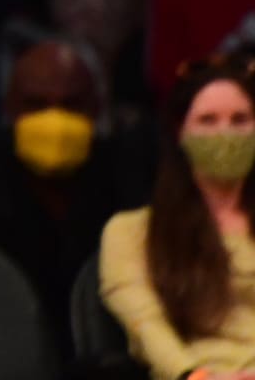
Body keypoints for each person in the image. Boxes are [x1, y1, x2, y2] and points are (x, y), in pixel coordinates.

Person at [0, 39, 154, 335]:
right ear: (9, 107)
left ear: (95, 108)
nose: (54, 119)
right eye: (36, 104)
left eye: (71, 105)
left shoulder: (129, 176)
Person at [100, 54, 255, 379]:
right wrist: (194, 375)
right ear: (180, 132)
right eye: (207, 120)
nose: (224, 134)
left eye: (240, 119)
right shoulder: (130, 231)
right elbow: (144, 323)